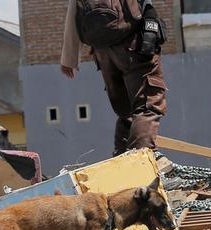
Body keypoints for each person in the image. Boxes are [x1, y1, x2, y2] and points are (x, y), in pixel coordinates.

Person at [61, 0, 168, 156]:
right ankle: (138, 166)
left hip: (103, 53)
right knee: (147, 106)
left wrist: (69, 59)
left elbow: (74, 12)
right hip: (133, 45)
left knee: (127, 113)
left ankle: (121, 161)